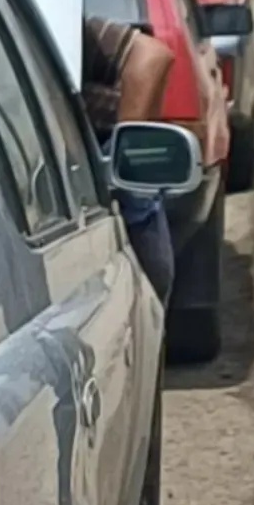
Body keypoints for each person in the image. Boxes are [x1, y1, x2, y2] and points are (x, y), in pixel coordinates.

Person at [82, 16, 176, 303]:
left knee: (150, 285)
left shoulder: (51, 17)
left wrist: (128, 159)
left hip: (102, 178)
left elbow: (152, 57)